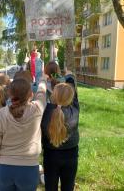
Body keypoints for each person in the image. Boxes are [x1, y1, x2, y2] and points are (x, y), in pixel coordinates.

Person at [0, 75, 48, 191]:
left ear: (10, 95)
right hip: (29, 170)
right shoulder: (37, 109)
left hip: (5, 169)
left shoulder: (1, 114)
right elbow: (42, 93)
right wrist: (43, 79)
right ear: (31, 95)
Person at [41, 61, 79, 191]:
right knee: (68, 187)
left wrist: (42, 79)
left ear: (53, 96)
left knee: (50, 188)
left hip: (50, 156)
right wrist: (69, 76)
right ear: (71, 97)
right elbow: (72, 89)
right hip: (71, 156)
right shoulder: (75, 110)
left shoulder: (45, 110)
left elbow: (41, 95)